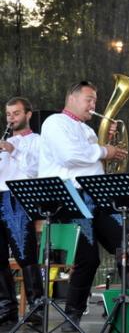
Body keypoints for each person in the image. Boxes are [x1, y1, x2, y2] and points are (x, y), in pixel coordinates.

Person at [38, 80, 129, 331]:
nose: (93, 105)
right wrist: (105, 150)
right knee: (88, 259)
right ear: (72, 98)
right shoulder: (54, 123)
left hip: (95, 195)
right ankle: (72, 318)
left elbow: (95, 165)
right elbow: (69, 156)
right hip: (70, 197)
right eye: (89, 100)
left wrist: (107, 146)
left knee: (127, 243)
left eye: (95, 100)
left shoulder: (88, 131)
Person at [0, 97, 44, 326]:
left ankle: (37, 307)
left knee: (25, 253)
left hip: (17, 197)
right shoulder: (5, 141)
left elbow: (35, 170)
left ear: (28, 114)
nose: (11, 118)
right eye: (8, 114)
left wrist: (13, 150)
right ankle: (6, 308)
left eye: (16, 113)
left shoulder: (38, 141)